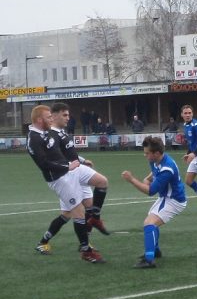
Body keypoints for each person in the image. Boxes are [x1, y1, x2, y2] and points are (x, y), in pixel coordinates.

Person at [26, 105, 105, 263]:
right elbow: (44, 164)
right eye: (49, 117)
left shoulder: (48, 132)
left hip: (71, 171)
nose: (51, 119)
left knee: (101, 182)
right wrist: (67, 167)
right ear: (40, 120)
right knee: (77, 212)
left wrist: (80, 161)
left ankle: (94, 219)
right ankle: (86, 250)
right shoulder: (33, 139)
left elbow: (64, 152)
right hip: (59, 178)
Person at [122, 136, 187, 268]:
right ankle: (155, 250)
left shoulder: (167, 169)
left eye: (147, 153)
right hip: (166, 197)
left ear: (156, 153)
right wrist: (148, 178)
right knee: (150, 220)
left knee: (149, 223)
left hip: (174, 200)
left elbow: (150, 191)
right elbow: (155, 171)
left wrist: (132, 180)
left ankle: (149, 260)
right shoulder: (157, 160)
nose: (145, 155)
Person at [50, 102, 111, 236]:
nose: (68, 118)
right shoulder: (51, 135)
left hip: (78, 171)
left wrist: (82, 160)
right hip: (67, 177)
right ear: (54, 116)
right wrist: (68, 166)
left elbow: (69, 153)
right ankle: (44, 241)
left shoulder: (62, 132)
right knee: (69, 214)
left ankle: (94, 222)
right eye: (64, 115)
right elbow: (55, 158)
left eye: (68, 115)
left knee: (90, 203)